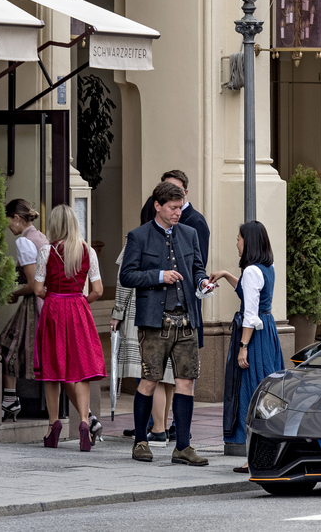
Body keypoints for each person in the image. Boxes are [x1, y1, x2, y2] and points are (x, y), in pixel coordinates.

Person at [120, 181, 211, 466]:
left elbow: (197, 267)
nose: (178, 212)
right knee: (149, 380)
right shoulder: (139, 236)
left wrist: (202, 282)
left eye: (180, 206)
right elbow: (128, 276)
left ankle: (182, 446)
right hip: (154, 322)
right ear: (157, 206)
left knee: (186, 382)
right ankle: (140, 442)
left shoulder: (190, 233)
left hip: (186, 319)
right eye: (172, 208)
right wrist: (160, 276)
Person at [209, 221, 284, 471]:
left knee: (253, 394)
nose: (237, 243)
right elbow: (250, 293)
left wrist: (243, 346)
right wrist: (226, 275)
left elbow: (250, 313)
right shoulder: (268, 267)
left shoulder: (252, 270)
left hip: (255, 334)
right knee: (268, 393)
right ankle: (268, 451)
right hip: (268, 330)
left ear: (249, 242)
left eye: (239, 238)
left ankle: (253, 455)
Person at [34, 205, 105, 450]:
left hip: (54, 308)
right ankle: (84, 422)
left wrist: (53, 296)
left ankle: (53, 424)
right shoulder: (88, 251)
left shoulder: (46, 250)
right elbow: (98, 290)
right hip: (78, 309)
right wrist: (81, 301)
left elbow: (37, 289)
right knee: (81, 368)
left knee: (52, 368)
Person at [111, 245, 177, 447]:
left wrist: (117, 312)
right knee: (165, 375)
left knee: (151, 372)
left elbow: (123, 282)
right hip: (171, 312)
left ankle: (157, 429)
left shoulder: (137, 240)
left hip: (145, 311)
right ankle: (162, 427)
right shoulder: (174, 240)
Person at [0, 199, 49, 422]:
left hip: (34, 303)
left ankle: (9, 400)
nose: (9, 226)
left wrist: (13, 294)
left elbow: (31, 283)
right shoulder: (41, 237)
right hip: (46, 301)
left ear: (17, 218)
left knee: (6, 347)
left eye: (8, 220)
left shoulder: (24, 242)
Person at [140, 170, 211, 270]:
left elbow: (199, 264)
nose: (171, 193)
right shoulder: (159, 217)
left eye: (176, 189)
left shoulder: (196, 221)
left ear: (185, 192)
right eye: (166, 189)